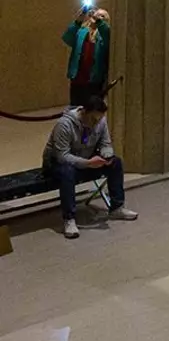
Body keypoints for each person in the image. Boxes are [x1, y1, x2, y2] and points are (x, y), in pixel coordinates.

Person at [42, 97, 138, 240]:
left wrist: (107, 155)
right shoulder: (65, 125)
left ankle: (117, 207)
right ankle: (69, 219)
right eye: (93, 119)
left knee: (116, 163)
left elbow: (106, 143)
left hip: (86, 159)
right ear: (84, 112)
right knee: (66, 172)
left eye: (99, 120)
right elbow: (62, 156)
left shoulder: (100, 121)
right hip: (58, 164)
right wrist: (87, 163)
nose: (96, 123)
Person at [62, 4, 110, 106]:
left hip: (95, 79)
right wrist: (80, 18)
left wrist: (98, 20)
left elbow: (107, 33)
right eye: (97, 14)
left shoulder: (104, 35)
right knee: (75, 108)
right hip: (78, 78)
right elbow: (67, 38)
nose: (98, 16)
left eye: (102, 16)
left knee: (92, 109)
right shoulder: (81, 32)